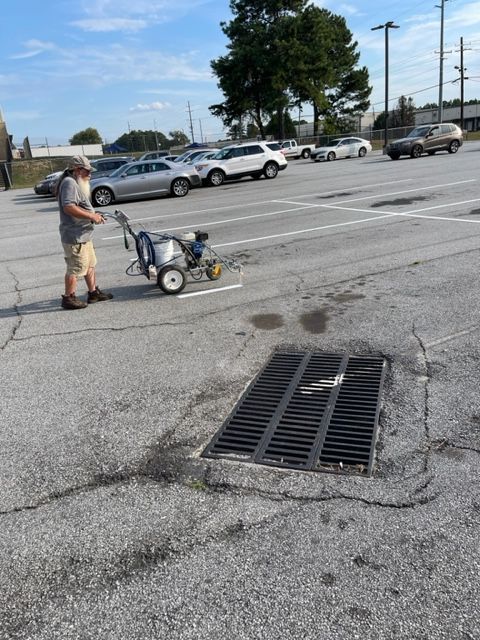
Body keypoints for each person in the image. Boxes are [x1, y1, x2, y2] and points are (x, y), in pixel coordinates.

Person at [56, 155, 113, 310]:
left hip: (83, 234)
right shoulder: (69, 183)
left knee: (90, 265)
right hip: (75, 237)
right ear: (77, 170)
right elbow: (69, 207)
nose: (90, 174)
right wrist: (90, 215)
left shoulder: (75, 182)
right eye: (87, 171)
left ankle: (93, 293)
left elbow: (79, 206)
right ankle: (68, 298)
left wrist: (94, 215)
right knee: (75, 268)